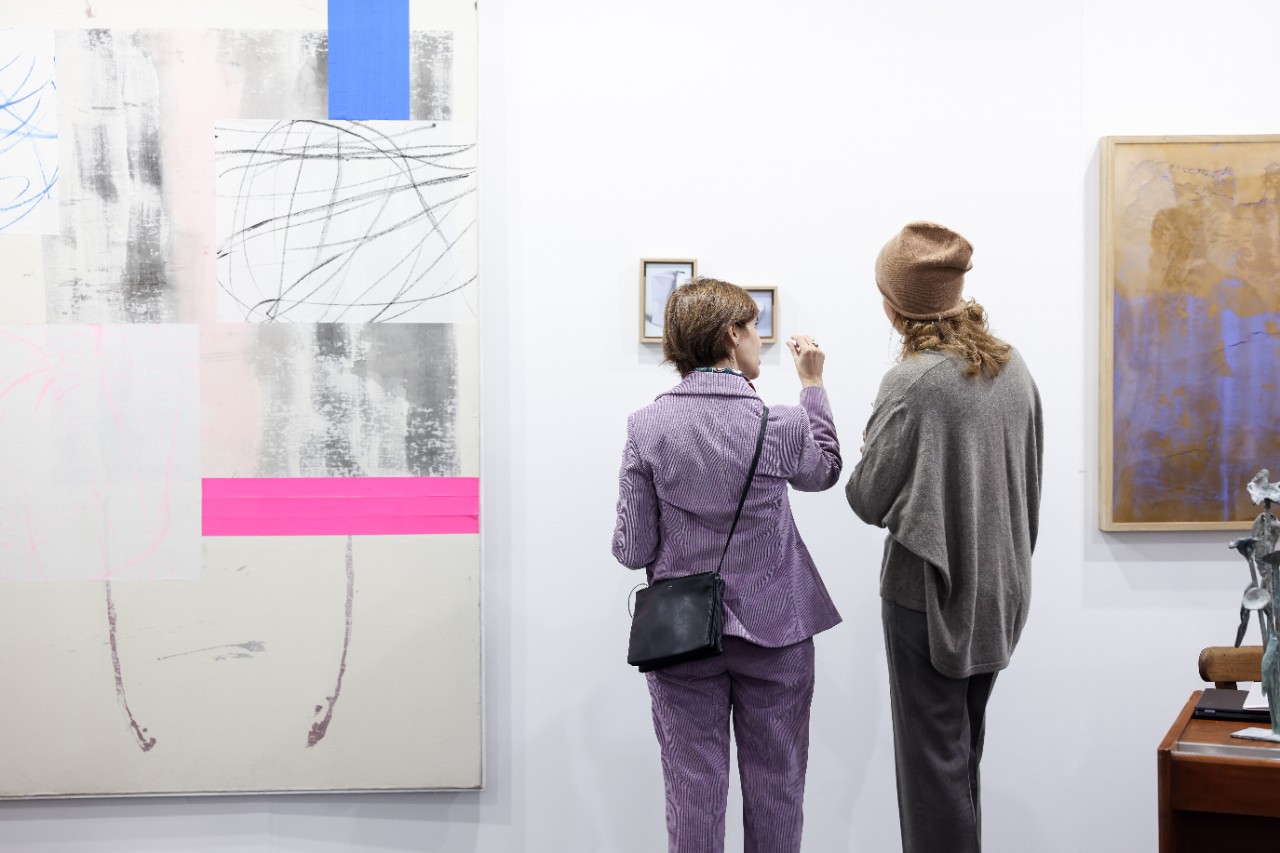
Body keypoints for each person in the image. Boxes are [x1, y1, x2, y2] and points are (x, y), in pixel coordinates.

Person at [612, 277, 842, 853]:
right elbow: (825, 472)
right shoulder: (782, 423)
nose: (759, 345)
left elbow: (632, 550)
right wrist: (812, 384)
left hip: (683, 636)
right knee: (778, 787)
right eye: (754, 332)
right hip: (779, 632)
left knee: (692, 790)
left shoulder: (647, 426)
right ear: (731, 334)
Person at [845, 222, 1043, 853]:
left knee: (932, 770)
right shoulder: (1012, 369)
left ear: (897, 305)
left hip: (928, 598)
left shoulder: (913, 383)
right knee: (960, 759)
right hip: (998, 590)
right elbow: (1031, 482)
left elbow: (866, 496)